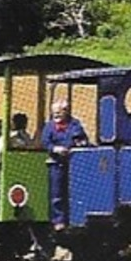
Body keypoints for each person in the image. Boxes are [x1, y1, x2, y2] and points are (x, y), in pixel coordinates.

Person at [40, 98, 90, 236]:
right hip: (56, 163)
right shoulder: (49, 126)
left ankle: (76, 218)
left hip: (74, 163)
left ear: (66, 112)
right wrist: (54, 148)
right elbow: (45, 142)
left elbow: (81, 139)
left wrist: (77, 145)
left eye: (59, 112)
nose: (56, 115)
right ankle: (58, 221)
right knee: (57, 193)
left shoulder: (74, 124)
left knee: (74, 192)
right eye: (54, 112)